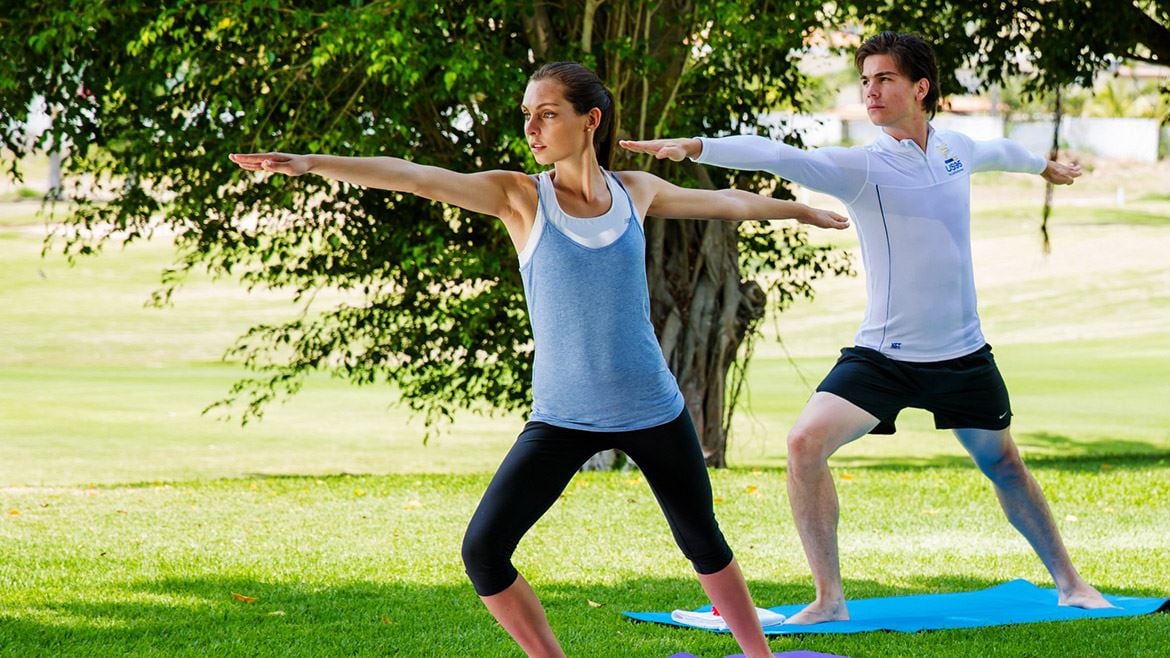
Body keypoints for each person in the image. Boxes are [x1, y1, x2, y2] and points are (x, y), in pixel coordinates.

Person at [230, 61, 848, 657]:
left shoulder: (635, 191)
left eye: (547, 114)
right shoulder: (519, 198)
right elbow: (413, 175)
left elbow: (730, 205)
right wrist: (314, 164)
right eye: (527, 114)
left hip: (653, 409)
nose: (531, 128)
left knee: (703, 544)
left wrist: (798, 210)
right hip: (562, 417)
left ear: (590, 120)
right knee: (484, 551)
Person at [620, 31, 1115, 625]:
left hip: (962, 355)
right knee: (805, 444)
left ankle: (1072, 584)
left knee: (1004, 464)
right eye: (865, 81)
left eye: (883, 79)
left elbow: (1003, 151)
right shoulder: (862, 168)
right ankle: (829, 599)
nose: (870, 91)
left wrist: (1045, 166)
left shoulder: (957, 148)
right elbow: (779, 155)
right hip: (885, 357)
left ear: (920, 88)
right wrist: (696, 147)